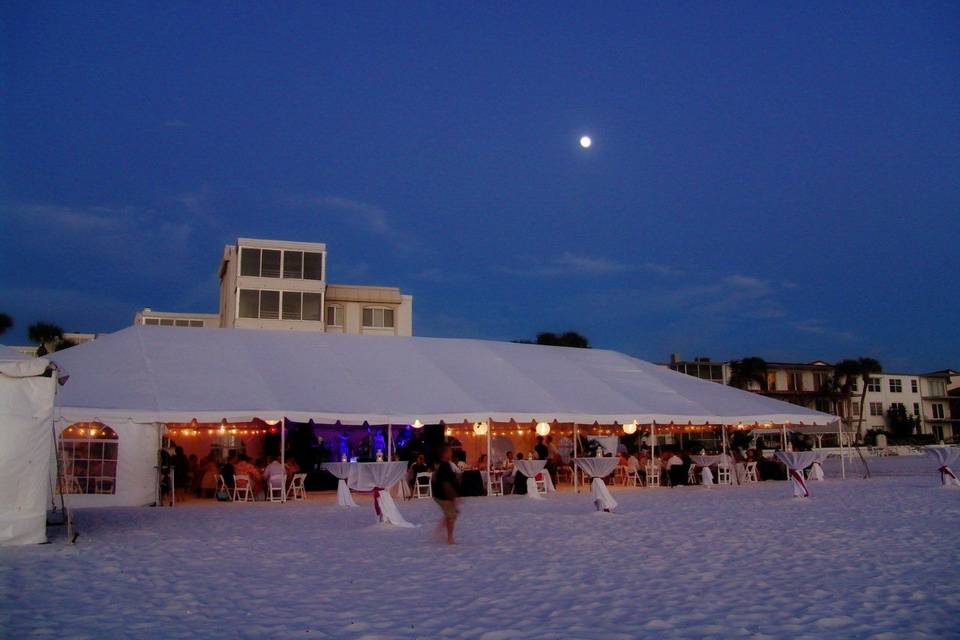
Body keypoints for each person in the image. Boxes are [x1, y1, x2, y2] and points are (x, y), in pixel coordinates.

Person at [432, 445, 460, 544]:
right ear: (444, 454)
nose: (451, 453)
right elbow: (445, 483)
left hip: (441, 494)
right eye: (449, 451)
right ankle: (449, 538)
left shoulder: (445, 464)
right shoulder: (444, 465)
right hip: (442, 495)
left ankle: (442, 533)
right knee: (451, 515)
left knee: (451, 514)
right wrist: (452, 497)